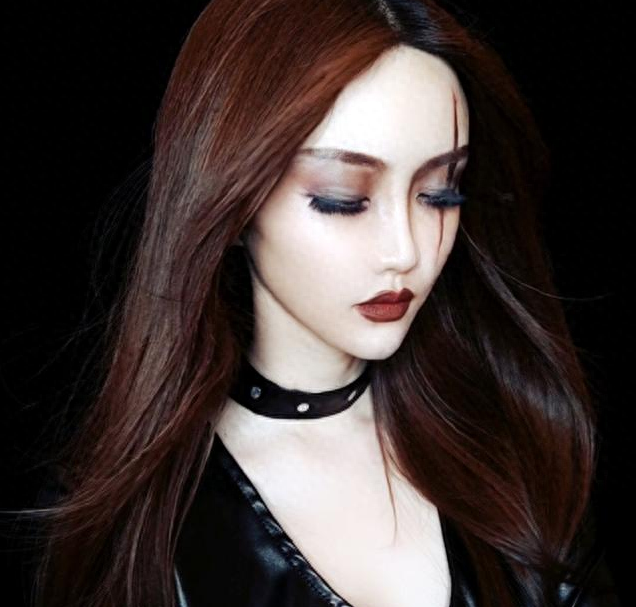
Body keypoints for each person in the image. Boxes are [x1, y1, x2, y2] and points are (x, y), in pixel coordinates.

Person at [27, 1, 623, 606]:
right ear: (231, 201)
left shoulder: (516, 446)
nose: (405, 251)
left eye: (440, 194)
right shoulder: (132, 526)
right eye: (343, 199)